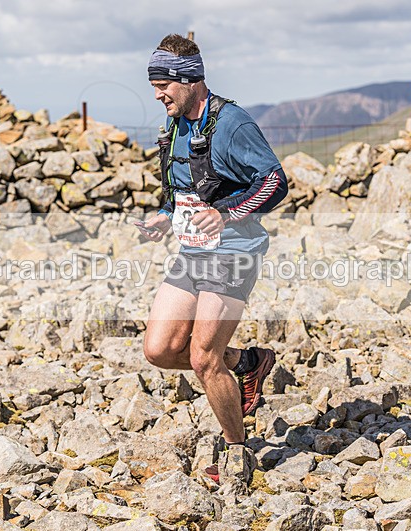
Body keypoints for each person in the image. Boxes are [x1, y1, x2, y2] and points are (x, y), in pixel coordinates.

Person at [136, 34, 289, 484]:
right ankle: (247, 363)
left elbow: (275, 183)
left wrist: (224, 215)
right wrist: (164, 216)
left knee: (204, 358)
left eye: (164, 85)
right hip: (192, 250)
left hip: (234, 252)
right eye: (154, 87)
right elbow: (185, 191)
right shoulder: (178, 124)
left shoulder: (232, 124)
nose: (159, 95)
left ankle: (236, 454)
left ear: (190, 80)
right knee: (160, 349)